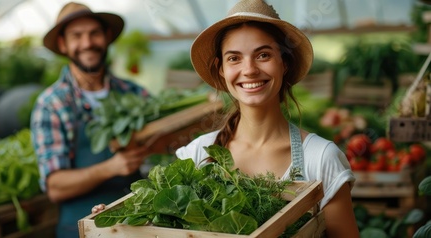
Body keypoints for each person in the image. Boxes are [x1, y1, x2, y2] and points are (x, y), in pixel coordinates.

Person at [92, 0, 359, 237]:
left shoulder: (321, 158)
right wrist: (123, 222)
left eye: (263, 55)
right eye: (234, 58)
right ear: (221, 71)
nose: (249, 70)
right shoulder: (197, 155)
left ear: (284, 63)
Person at [30, 2, 150, 237]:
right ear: (63, 44)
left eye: (94, 33)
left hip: (139, 226)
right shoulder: (52, 104)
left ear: (106, 37)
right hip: (81, 230)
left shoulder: (135, 94)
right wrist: (111, 167)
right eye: (77, 36)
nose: (87, 43)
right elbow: (55, 186)